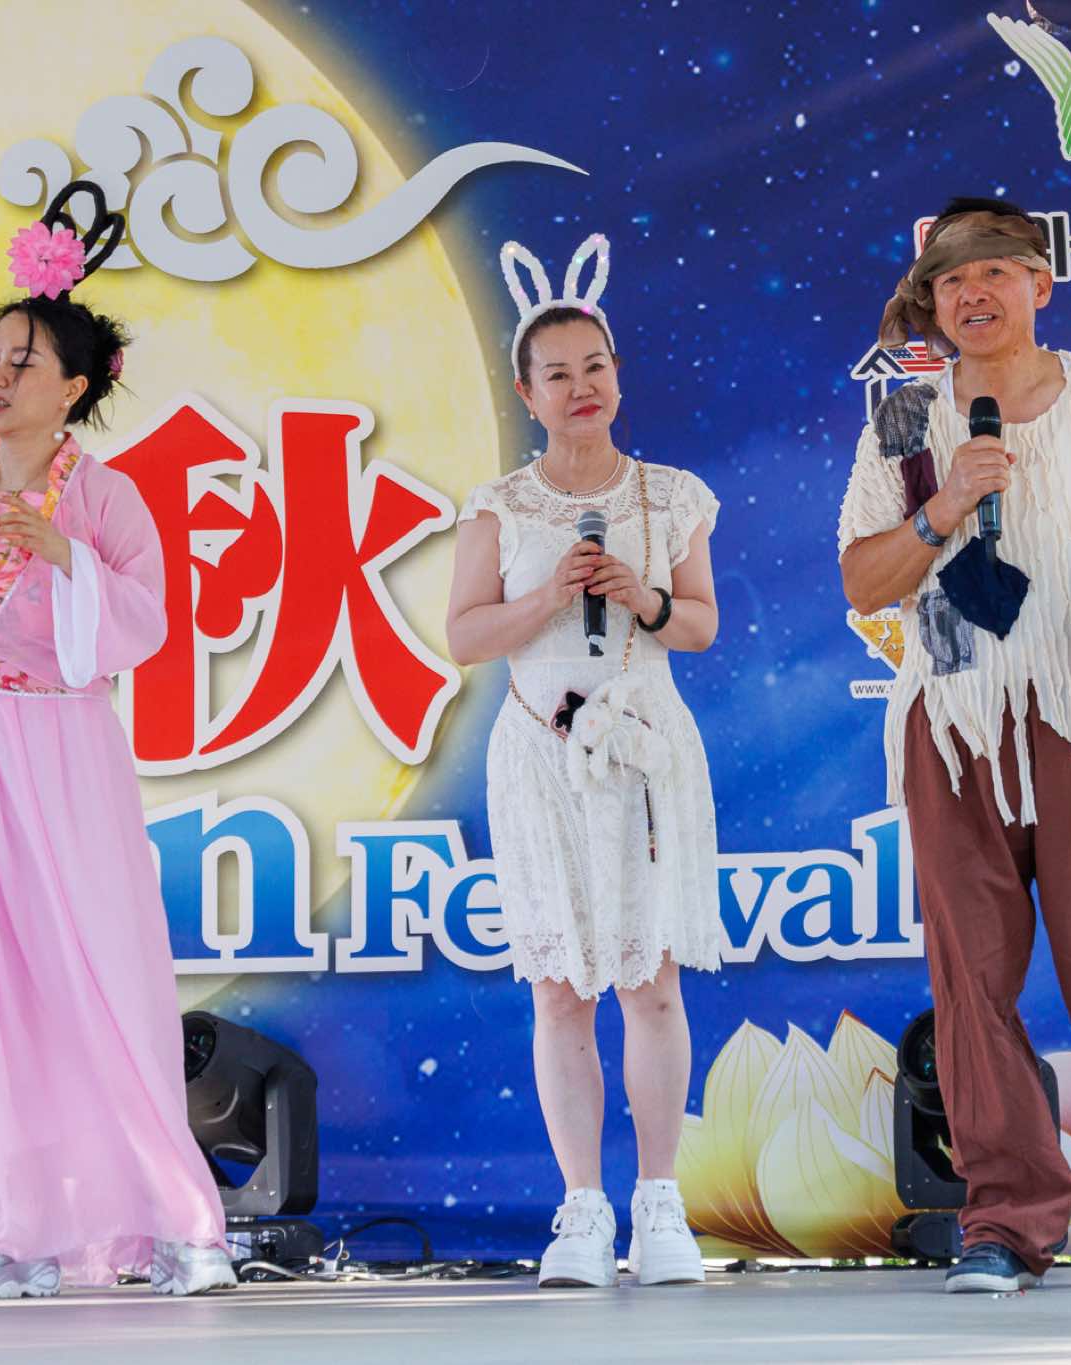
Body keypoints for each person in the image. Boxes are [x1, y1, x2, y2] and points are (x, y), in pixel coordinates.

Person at [837, 197, 1071, 1293]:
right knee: (972, 982)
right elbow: (862, 579)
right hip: (956, 725)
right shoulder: (904, 422)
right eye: (953, 282)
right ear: (933, 304)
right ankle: (1004, 1219)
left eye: (994, 273)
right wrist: (944, 505)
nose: (974, 295)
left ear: (1039, 285)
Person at [0, 187, 232, 1300]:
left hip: (65, 739)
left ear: (74, 387)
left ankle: (180, 1224)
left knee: (105, 974)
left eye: (21, 361)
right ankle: (21, 1225)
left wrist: (64, 554)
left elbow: (144, 624)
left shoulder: (106, 497)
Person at [446, 234, 722, 1288]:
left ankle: (660, 1205)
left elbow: (699, 624)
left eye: (594, 367)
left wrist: (639, 595)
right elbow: (465, 635)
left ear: (618, 375)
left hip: (645, 753)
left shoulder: (670, 495)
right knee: (560, 988)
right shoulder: (500, 507)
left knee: (650, 983)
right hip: (541, 757)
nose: (580, 388)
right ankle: (581, 1209)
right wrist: (550, 595)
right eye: (557, 374)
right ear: (526, 394)